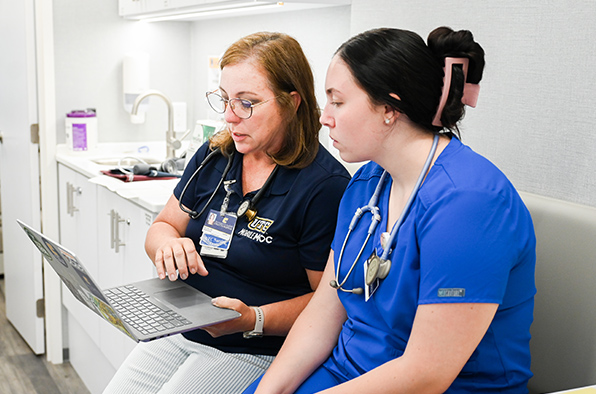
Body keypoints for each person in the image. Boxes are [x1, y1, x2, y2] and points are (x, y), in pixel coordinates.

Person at [244, 27, 536, 394]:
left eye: (337, 101)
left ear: (388, 108)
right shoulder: (367, 183)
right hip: (348, 372)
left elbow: (427, 373)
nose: (324, 118)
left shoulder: (470, 204)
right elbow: (323, 314)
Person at [102, 32, 351, 394]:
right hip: (180, 326)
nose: (230, 117)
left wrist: (253, 319)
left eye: (247, 103)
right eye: (224, 100)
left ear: (292, 102)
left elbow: (327, 306)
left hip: (253, 346)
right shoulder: (216, 155)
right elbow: (164, 225)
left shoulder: (323, 186)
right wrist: (167, 246)